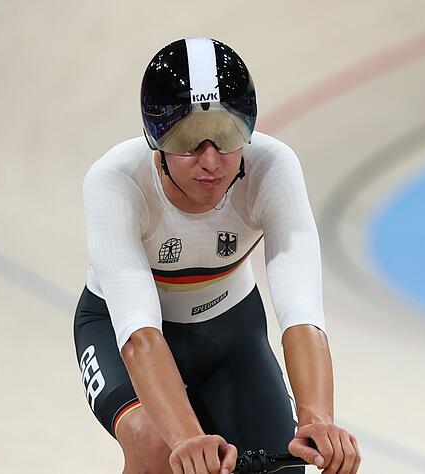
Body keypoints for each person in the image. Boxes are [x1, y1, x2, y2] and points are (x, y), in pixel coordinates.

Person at [73, 37, 360, 474]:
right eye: (189, 140)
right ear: (157, 139)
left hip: (231, 333)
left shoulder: (273, 167)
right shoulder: (115, 181)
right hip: (119, 332)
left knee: (288, 462)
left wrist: (318, 419)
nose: (211, 160)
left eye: (226, 136)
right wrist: (186, 437)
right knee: (154, 444)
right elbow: (139, 336)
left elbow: (301, 312)